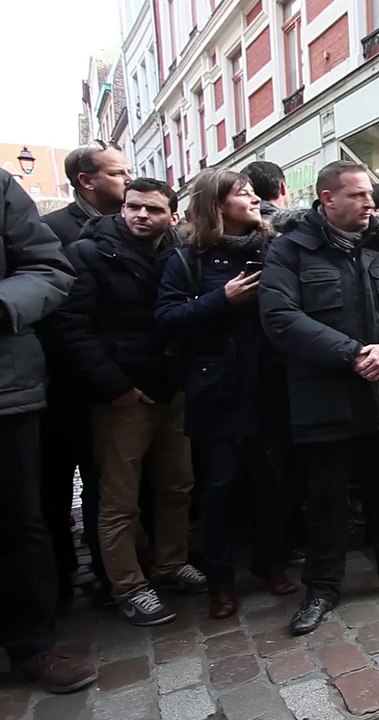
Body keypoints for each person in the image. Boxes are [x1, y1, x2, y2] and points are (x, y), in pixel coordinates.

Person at [259, 161, 379, 637]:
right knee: (326, 496)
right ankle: (322, 587)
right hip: (326, 397)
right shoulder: (290, 250)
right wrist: (353, 353)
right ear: (327, 199)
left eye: (371, 195)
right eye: (358, 195)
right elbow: (280, 317)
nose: (369, 203)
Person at [51, 178, 208, 626]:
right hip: (121, 397)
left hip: (170, 388)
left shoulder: (180, 253)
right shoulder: (90, 252)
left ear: (172, 216)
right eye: (133, 207)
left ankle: (171, 563)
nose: (141, 215)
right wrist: (114, 386)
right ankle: (129, 586)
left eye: (153, 210)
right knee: (119, 498)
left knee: (177, 485)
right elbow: (71, 327)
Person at [154, 169, 297, 619]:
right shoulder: (187, 259)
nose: (254, 199)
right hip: (217, 391)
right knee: (219, 490)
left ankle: (271, 562)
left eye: (254, 192)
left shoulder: (273, 249)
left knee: (273, 481)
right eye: (243, 194)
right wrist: (222, 299)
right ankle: (220, 582)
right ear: (217, 205)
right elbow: (166, 318)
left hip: (269, 384)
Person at [0, 168, 97, 693]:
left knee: (18, 521)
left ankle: (32, 642)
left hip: (5, 391)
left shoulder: (1, 189)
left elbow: (46, 268)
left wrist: (3, 306)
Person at [38, 142, 133, 604]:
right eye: (118, 173)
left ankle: (108, 570)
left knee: (107, 483)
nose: (128, 180)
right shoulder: (53, 231)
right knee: (56, 484)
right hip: (66, 385)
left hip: (118, 383)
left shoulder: (131, 225)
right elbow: (59, 317)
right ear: (86, 181)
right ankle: (60, 575)